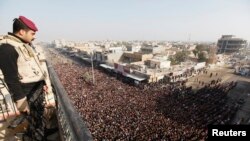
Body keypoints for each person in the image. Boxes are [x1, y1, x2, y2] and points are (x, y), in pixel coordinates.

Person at [0, 16, 56, 139]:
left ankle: (40, 133)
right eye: (32, 33)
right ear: (21, 31)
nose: (34, 36)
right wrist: (21, 100)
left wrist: (43, 84)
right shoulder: (7, 48)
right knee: (32, 119)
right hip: (26, 91)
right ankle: (34, 137)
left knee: (38, 116)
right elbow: (11, 78)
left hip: (35, 89)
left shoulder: (22, 44)